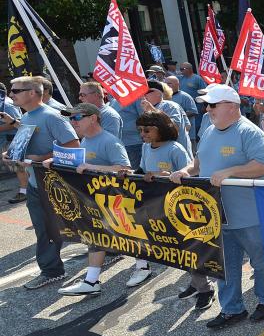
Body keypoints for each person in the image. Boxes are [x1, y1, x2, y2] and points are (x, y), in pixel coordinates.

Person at [170, 84, 264, 329]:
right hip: (216, 215)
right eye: (207, 104)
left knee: (261, 262)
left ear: (232, 107)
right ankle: (232, 309)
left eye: (213, 105)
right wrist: (185, 170)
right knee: (224, 266)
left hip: (249, 214)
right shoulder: (208, 129)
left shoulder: (248, 131)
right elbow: (198, 163)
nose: (208, 109)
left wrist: (230, 172)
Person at [4, 76, 80, 289]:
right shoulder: (27, 116)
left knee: (78, 222)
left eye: (16, 90)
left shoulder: (52, 116)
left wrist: (41, 158)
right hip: (35, 182)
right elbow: (24, 146)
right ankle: (52, 270)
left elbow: (73, 146)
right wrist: (10, 154)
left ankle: (107, 251)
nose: (11, 94)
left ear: (31, 93)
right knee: (43, 228)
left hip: (54, 183)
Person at [54, 104, 132, 295]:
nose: (73, 122)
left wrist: (91, 168)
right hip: (96, 201)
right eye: (70, 118)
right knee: (96, 237)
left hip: (115, 201)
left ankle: (143, 267)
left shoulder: (109, 141)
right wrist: (55, 161)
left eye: (77, 117)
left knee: (129, 237)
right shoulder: (84, 141)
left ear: (93, 118)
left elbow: (125, 169)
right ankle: (91, 281)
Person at [127, 110, 195, 292]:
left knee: (186, 247)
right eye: (140, 130)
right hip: (153, 202)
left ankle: (199, 283)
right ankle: (142, 267)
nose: (142, 135)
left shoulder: (175, 148)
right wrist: (130, 173)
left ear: (161, 129)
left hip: (175, 206)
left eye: (147, 130)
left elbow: (188, 176)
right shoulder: (145, 147)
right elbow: (142, 169)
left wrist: (164, 176)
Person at [165, 75, 200, 140]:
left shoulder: (185, 97)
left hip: (187, 135)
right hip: (171, 135)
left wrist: (178, 115)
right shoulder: (165, 97)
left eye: (169, 83)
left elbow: (193, 111)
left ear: (177, 84)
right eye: (165, 83)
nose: (166, 85)